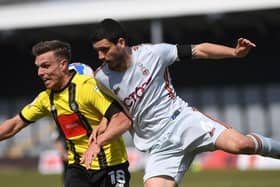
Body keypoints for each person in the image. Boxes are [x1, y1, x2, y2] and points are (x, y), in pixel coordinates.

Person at [83, 18, 280, 187]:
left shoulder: (153, 54)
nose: (100, 56)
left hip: (183, 121)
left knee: (241, 145)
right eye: (97, 51)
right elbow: (115, 109)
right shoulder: (102, 78)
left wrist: (235, 53)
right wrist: (103, 123)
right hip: (158, 145)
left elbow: (199, 50)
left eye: (104, 49)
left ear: (120, 42)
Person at [0, 40, 132, 187]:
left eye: (46, 66)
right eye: (38, 68)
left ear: (63, 65)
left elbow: (122, 120)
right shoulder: (46, 98)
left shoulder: (87, 87)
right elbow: (14, 124)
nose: (40, 73)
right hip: (78, 169)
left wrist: (97, 143)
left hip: (112, 165)